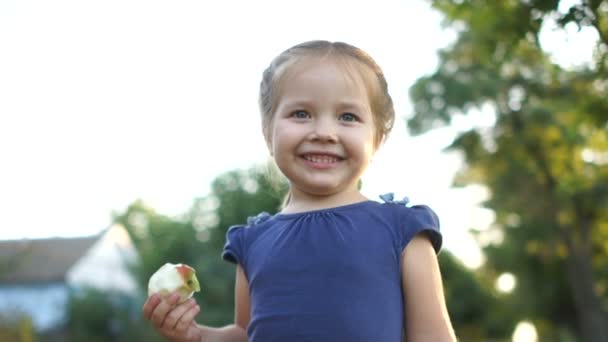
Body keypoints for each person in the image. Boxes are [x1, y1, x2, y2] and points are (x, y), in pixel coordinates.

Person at [143, 40, 456, 342]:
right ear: (268, 132)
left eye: (348, 117)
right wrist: (196, 336)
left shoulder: (402, 231)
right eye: (301, 114)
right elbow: (245, 333)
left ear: (377, 138)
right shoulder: (251, 242)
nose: (323, 133)